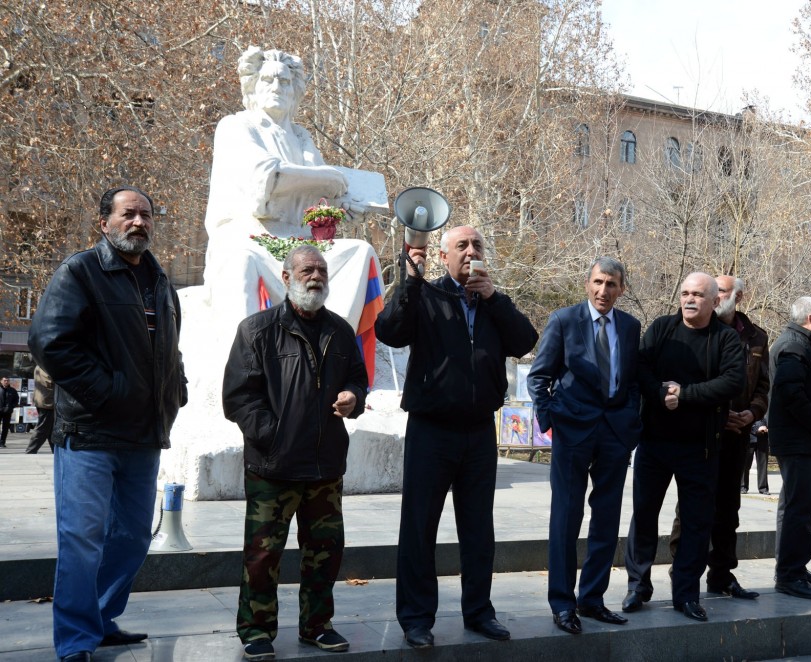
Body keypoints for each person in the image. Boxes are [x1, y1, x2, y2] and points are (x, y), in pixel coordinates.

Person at [28, 186, 188, 662]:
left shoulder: (161, 282)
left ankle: (100, 617)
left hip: (143, 435)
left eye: (145, 215)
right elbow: (49, 342)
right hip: (89, 434)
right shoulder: (80, 271)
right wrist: (109, 392)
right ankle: (76, 639)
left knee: (135, 535)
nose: (138, 222)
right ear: (105, 223)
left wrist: (175, 389)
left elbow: (169, 350)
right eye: (128, 214)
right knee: (82, 538)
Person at [375, 225, 538, 648]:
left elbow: (525, 340)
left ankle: (479, 612)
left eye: (477, 245)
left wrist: (494, 299)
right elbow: (389, 330)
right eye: (461, 246)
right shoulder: (426, 297)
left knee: (479, 530)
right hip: (432, 430)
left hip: (480, 431)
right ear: (444, 256)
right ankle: (416, 619)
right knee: (419, 526)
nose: (470, 252)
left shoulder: (492, 304)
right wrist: (411, 282)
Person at [223, 245, 368, 661]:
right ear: (286, 277)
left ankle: (317, 626)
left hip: (325, 466)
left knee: (325, 552)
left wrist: (352, 397)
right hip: (274, 467)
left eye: (321, 270)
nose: (316, 276)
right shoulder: (256, 329)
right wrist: (275, 436)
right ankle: (256, 629)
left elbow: (359, 379)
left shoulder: (340, 331)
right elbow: (239, 398)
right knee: (263, 554)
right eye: (307, 269)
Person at [621, 272, 745, 622]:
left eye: (698, 295)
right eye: (685, 293)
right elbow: (640, 368)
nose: (689, 300)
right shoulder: (661, 328)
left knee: (696, 523)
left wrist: (685, 395)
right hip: (655, 443)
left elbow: (733, 381)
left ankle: (686, 594)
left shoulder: (726, 339)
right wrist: (661, 394)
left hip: (700, 449)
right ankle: (638, 586)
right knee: (644, 516)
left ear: (715, 301)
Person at [528, 257, 642, 635]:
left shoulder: (630, 326)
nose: (603, 290)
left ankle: (592, 599)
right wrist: (551, 421)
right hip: (572, 431)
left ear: (622, 289)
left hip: (614, 434)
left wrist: (631, 423)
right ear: (587, 283)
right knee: (566, 518)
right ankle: (562, 603)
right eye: (597, 282)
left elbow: (632, 380)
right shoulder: (564, 320)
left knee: (607, 519)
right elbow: (539, 376)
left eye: (611, 284)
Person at [204, 46, 357, 322]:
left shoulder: (300, 136)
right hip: (249, 235)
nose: (276, 86)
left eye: (284, 81)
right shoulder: (236, 126)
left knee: (359, 253)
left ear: (293, 90)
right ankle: (248, 358)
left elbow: (323, 192)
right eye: (267, 79)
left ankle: (337, 347)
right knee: (241, 261)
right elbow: (267, 177)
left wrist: (343, 204)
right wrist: (330, 180)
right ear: (252, 86)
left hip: (302, 241)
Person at [666, 275, 769, 601]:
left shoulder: (756, 337)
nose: (715, 295)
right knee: (691, 509)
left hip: (738, 435)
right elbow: (693, 381)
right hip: (703, 434)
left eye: (722, 290)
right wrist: (721, 415)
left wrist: (751, 414)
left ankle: (721, 575)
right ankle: (680, 575)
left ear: (738, 296)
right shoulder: (697, 330)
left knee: (729, 510)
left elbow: (764, 387)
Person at [768, 296, 811, 601]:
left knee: (797, 505)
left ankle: (795, 567)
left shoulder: (798, 343)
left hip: (799, 439)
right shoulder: (794, 346)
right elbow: (790, 393)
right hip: (798, 440)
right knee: (799, 507)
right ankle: (789, 574)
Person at [25, 365, 55, 454]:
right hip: (47, 402)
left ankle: (56, 450)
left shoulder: (40, 365)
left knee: (51, 428)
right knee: (43, 427)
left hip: (45, 401)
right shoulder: (44, 366)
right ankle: (31, 450)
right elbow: (49, 381)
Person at [742, 418, 770, 495]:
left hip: (763, 439)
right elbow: (744, 423)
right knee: (745, 465)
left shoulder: (764, 411)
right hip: (749, 440)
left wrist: (766, 428)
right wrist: (756, 429)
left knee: (763, 466)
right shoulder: (748, 409)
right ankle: (743, 487)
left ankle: (763, 488)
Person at [0, 376, 19, 448]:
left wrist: (12, 407)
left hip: (7, 411)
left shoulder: (12, 390)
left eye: (7, 380)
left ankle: (2, 443)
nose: (6, 382)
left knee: (5, 428)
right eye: (4, 380)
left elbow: (16, 400)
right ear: (1, 381)